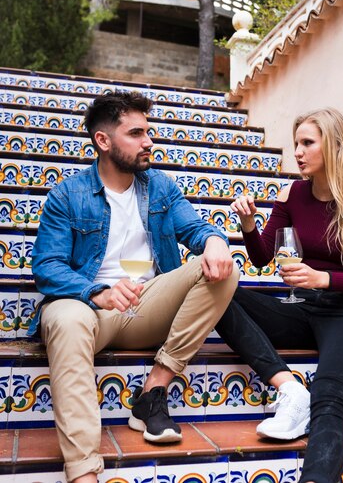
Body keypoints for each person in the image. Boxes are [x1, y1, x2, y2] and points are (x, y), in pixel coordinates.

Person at [29, 91, 240, 483]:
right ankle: (83, 471)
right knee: (65, 317)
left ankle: (153, 388)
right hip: (89, 309)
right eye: (136, 133)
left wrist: (213, 241)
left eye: (149, 132)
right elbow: (46, 267)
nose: (149, 142)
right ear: (104, 141)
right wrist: (98, 291)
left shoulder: (160, 186)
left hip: (147, 307)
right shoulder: (67, 195)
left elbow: (196, 228)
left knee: (223, 268)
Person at [216, 107, 343, 483]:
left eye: (307, 143)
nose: (297, 151)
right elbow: (262, 257)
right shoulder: (291, 193)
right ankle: (290, 390)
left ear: (334, 146)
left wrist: (322, 278)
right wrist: (247, 224)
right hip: (302, 309)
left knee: (330, 399)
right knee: (216, 291)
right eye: (296, 143)